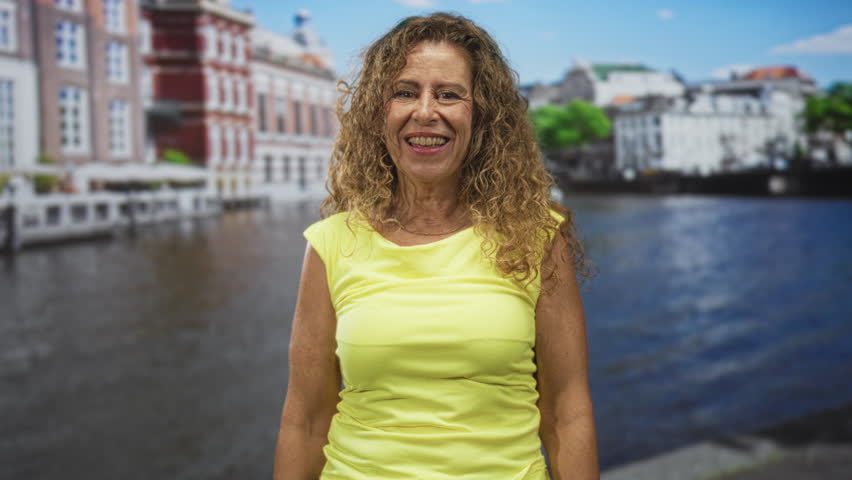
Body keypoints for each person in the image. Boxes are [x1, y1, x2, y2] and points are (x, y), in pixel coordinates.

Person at [273, 12, 598, 480]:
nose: (426, 112)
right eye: (405, 92)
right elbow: (304, 423)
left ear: (481, 114)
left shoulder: (537, 237)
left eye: (449, 94)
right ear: (376, 111)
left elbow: (568, 412)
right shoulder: (330, 244)